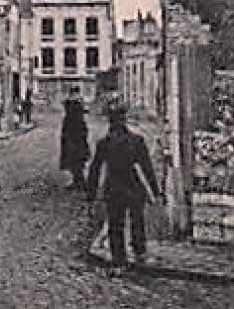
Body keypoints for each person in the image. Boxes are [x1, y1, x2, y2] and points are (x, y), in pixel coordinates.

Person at [85, 105, 161, 270]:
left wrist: (91, 194)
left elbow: (95, 169)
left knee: (115, 225)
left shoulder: (104, 144)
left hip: (114, 188)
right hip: (133, 186)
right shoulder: (136, 141)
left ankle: (119, 260)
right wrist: (155, 190)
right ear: (125, 121)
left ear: (111, 123)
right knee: (137, 220)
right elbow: (147, 168)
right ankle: (139, 251)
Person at [59, 97, 90, 190]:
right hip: (74, 144)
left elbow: (81, 132)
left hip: (74, 144)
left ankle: (82, 183)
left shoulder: (73, 118)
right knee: (75, 164)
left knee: (75, 163)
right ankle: (77, 182)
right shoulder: (75, 118)